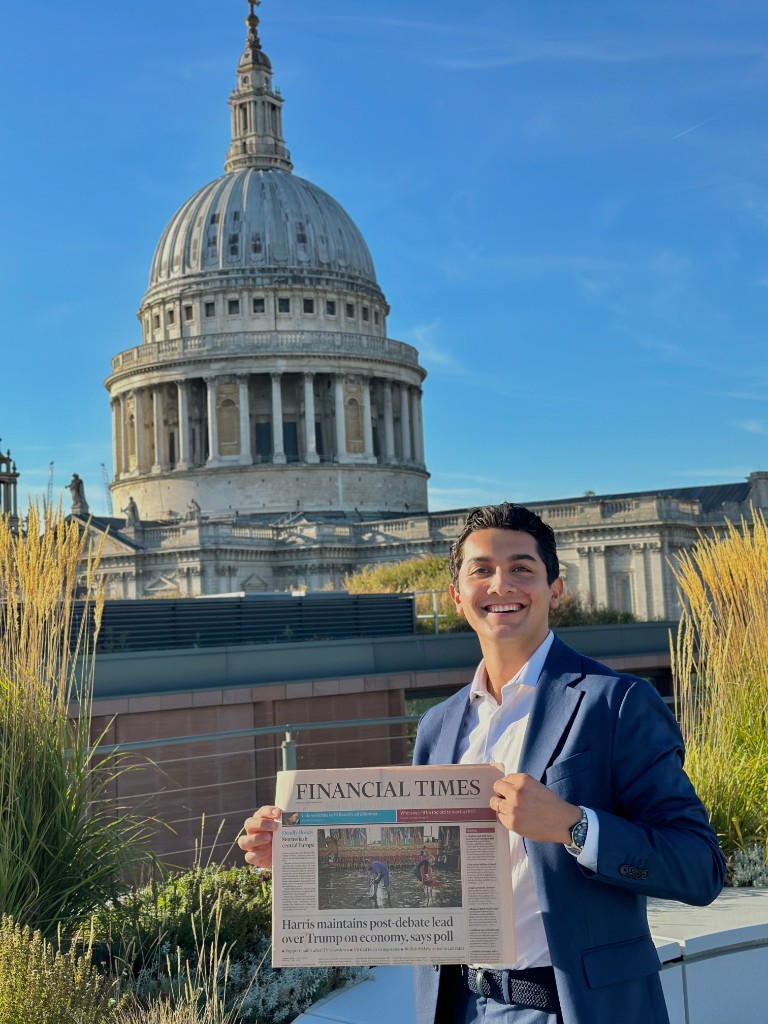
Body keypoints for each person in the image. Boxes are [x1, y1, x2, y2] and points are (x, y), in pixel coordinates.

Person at [238, 502, 725, 1024]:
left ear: (555, 590)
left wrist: (573, 826)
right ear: (456, 597)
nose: (501, 585)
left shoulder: (617, 702)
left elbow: (699, 867)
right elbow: (418, 875)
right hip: (460, 1005)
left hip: (578, 1007)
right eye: (482, 571)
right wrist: (301, 859)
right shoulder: (439, 725)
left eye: (521, 568)